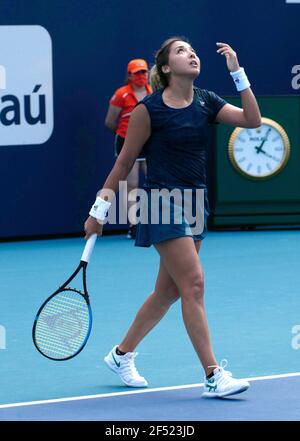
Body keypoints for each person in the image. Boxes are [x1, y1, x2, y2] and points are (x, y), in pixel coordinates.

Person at [85, 36, 261, 398]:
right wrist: (98, 211)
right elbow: (124, 161)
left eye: (192, 50)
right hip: (160, 201)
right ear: (166, 68)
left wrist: (238, 73)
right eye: (181, 51)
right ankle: (213, 375)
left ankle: (120, 355)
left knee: (167, 292)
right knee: (194, 284)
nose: (191, 54)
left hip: (195, 202)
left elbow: (252, 121)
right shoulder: (149, 110)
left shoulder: (206, 100)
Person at [104, 59, 152, 239]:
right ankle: (134, 224)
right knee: (132, 184)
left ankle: (158, 221)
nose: (142, 76)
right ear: (130, 75)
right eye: (137, 73)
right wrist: (128, 135)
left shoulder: (153, 92)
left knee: (156, 179)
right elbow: (110, 121)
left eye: (144, 72)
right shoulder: (121, 94)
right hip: (126, 142)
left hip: (149, 142)